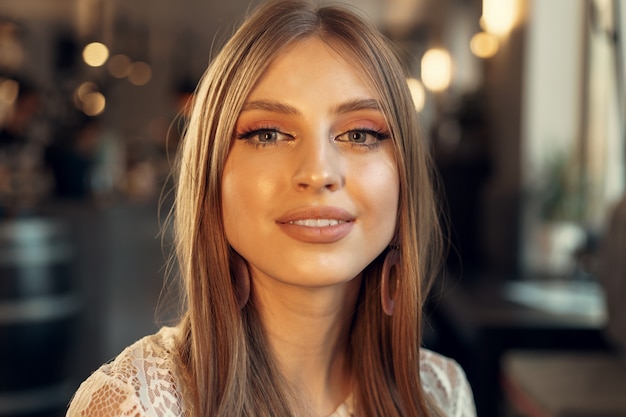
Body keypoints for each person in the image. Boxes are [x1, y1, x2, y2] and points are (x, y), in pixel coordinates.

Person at [66, 0, 476, 416]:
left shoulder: (443, 395)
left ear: (404, 172)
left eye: (359, 134)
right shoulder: (134, 404)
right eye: (267, 134)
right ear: (212, 174)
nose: (318, 172)